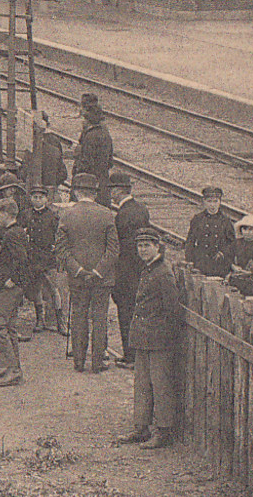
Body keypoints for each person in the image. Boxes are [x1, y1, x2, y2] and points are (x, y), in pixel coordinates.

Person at [115, 230, 181, 449]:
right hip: (143, 337)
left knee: (161, 386)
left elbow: (172, 310)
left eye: (147, 245)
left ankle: (164, 431)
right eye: (140, 246)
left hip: (158, 339)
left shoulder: (163, 273)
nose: (142, 250)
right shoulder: (148, 269)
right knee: (142, 384)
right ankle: (141, 428)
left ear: (157, 247)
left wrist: (165, 338)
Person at [55, 173, 118, 374]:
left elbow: (61, 249)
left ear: (75, 191)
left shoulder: (67, 215)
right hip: (103, 277)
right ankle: (98, 362)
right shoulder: (107, 214)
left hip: (77, 277)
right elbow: (114, 249)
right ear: (95, 193)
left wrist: (78, 270)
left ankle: (79, 362)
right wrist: (99, 271)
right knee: (99, 317)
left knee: (78, 316)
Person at [0, 197, 33, 387]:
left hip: (10, 288)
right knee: (10, 327)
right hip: (16, 287)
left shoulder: (11, 235)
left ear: (6, 214)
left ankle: (10, 369)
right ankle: (12, 367)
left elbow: (21, 260)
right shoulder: (16, 231)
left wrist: (11, 280)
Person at [109, 172, 151, 366]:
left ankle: (130, 356)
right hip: (140, 269)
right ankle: (138, 354)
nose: (111, 194)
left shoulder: (122, 214)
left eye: (112, 190)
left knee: (126, 314)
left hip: (126, 273)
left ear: (118, 191)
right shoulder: (141, 209)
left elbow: (121, 249)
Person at [25, 186, 66, 336]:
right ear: (31, 199)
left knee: (54, 289)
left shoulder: (53, 215)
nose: (37, 200)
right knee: (36, 289)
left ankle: (60, 322)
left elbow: (59, 235)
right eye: (35, 197)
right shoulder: (26, 215)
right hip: (33, 256)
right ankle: (39, 320)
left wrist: (55, 249)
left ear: (46, 199)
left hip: (49, 256)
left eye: (41, 197)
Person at [187, 185, 236, 279]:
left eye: (215, 201)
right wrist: (190, 260)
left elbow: (232, 244)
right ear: (204, 202)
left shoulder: (225, 221)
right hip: (201, 263)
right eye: (209, 201)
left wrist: (223, 254)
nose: (212, 205)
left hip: (219, 264)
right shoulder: (198, 219)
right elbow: (190, 241)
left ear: (220, 202)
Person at [74, 96, 114, 182]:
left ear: (88, 120)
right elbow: (110, 161)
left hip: (89, 182)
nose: (82, 121)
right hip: (103, 179)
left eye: (83, 119)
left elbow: (86, 163)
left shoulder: (90, 136)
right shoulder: (105, 133)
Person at [229, 215, 253, 298]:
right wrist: (233, 266)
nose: (247, 232)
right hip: (236, 279)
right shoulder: (236, 243)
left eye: (250, 229)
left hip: (251, 282)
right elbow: (228, 257)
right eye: (245, 229)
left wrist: (250, 272)